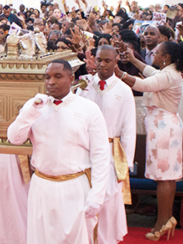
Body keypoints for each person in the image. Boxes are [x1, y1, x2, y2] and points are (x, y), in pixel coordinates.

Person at [8, 59, 110, 244]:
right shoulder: (36, 107)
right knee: (40, 238)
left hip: (74, 186)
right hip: (41, 185)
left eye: (57, 77)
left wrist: (97, 196)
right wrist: (29, 111)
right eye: (47, 77)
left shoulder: (88, 109)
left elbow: (101, 156)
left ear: (71, 79)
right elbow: (14, 138)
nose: (51, 82)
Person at [115, 42, 183, 240]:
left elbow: (143, 84)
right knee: (165, 176)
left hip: (164, 129)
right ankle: (166, 219)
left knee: (164, 177)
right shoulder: (168, 71)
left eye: (157, 52)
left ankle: (163, 221)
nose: (153, 54)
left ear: (166, 57)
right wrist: (132, 59)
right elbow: (149, 72)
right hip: (163, 127)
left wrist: (118, 72)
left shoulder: (168, 75)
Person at [77, 45, 136, 244]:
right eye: (99, 60)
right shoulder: (84, 86)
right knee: (85, 197)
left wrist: (126, 164)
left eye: (107, 61)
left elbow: (129, 128)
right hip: (85, 150)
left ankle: (106, 239)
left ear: (115, 62)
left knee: (108, 200)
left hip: (111, 151)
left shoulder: (124, 90)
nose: (102, 64)